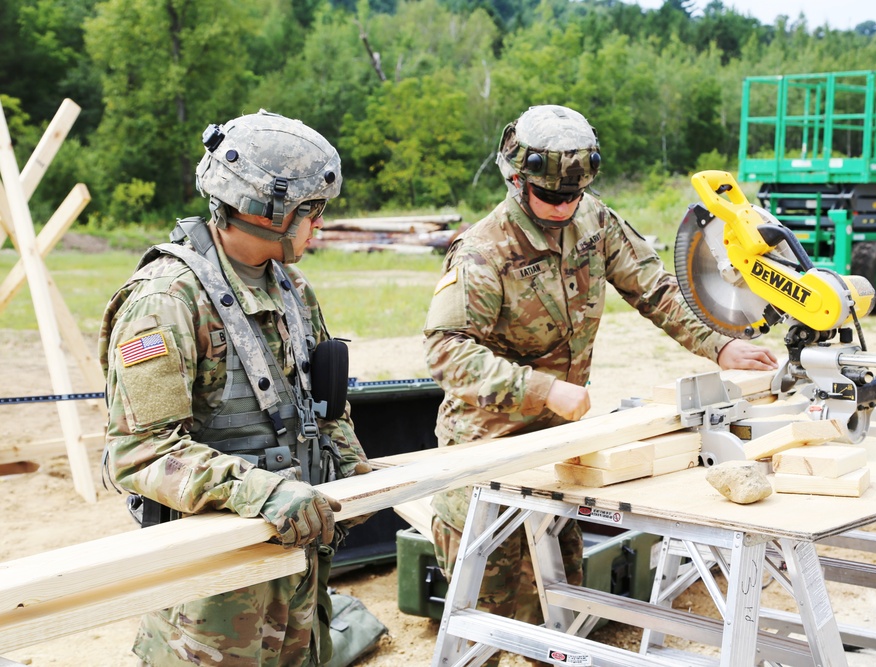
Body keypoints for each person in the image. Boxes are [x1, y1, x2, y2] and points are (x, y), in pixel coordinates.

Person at [422, 104, 778, 659]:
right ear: (517, 179)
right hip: (486, 456)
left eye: (573, 195)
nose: (564, 207)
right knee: (484, 631)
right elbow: (446, 352)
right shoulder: (484, 251)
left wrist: (721, 345)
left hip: (560, 453)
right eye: (552, 197)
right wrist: (542, 390)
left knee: (557, 622)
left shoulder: (594, 220)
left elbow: (655, 289)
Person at [98, 110, 372, 667]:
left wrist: (353, 473)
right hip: (214, 597)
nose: (319, 225)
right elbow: (140, 452)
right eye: (310, 211)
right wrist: (261, 491)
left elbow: (321, 408)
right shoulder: (166, 301)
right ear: (264, 210)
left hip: (296, 573)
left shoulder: (291, 287)